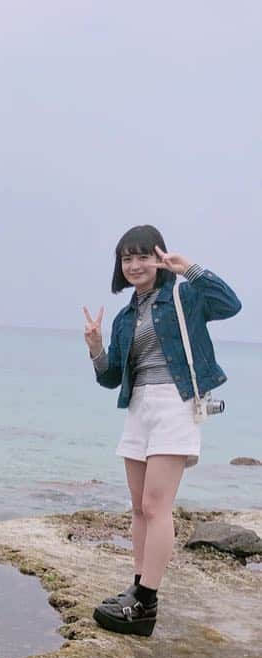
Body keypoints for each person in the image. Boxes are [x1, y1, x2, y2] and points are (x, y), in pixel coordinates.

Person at [82, 224, 242, 636]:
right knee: (138, 507)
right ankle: (137, 590)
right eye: (126, 258)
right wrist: (96, 347)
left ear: (158, 256)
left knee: (156, 506)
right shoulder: (124, 317)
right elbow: (112, 377)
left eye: (142, 255)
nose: (134, 265)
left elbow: (230, 304)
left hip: (176, 403)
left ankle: (147, 603)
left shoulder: (183, 296)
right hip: (138, 408)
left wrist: (188, 268)